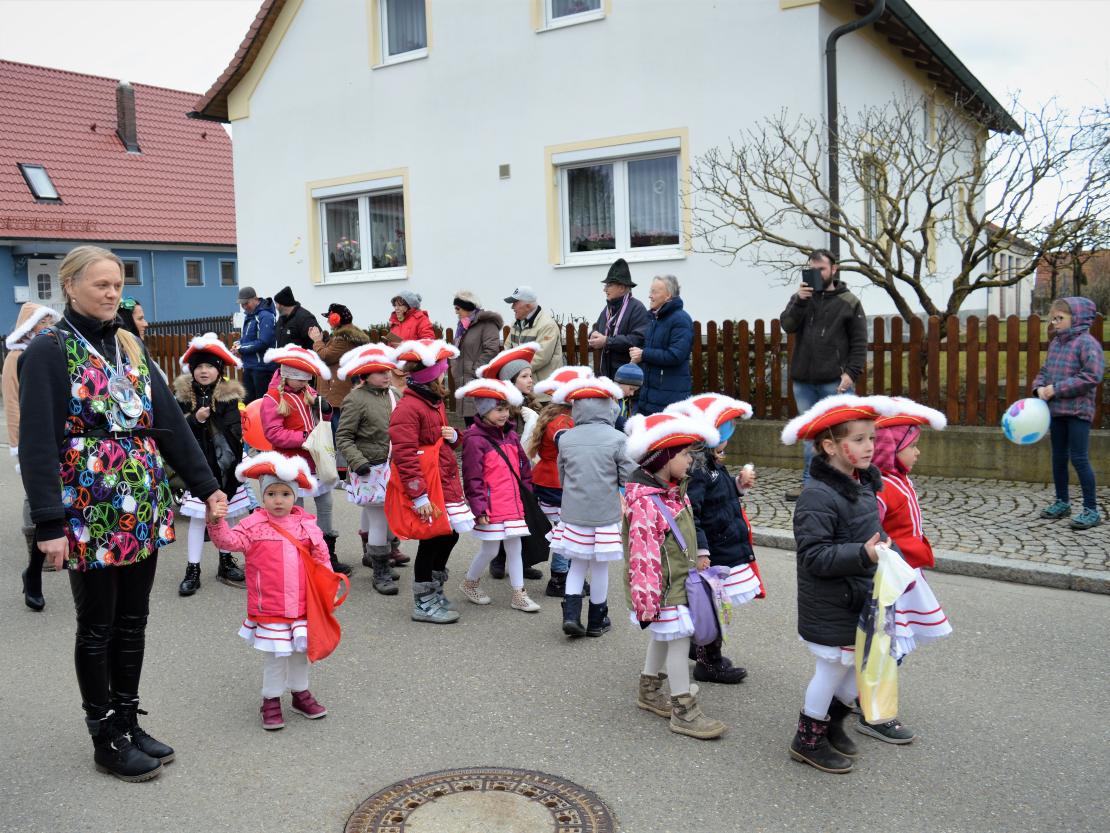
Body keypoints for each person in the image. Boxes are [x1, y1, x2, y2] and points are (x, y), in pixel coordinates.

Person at [18, 245, 225, 782]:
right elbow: (37, 442)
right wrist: (48, 523)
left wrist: (207, 486)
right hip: (88, 510)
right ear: (70, 286)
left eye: (117, 285)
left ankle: (128, 719)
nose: (112, 294)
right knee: (98, 625)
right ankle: (104, 734)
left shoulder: (131, 345)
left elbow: (169, 424)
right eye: (101, 285)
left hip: (142, 506)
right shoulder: (48, 350)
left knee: (134, 620)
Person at [780, 394, 897, 773]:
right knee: (832, 671)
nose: (870, 447)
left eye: (872, 438)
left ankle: (832, 724)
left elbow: (868, 531)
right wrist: (863, 554)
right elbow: (814, 556)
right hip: (833, 601)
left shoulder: (861, 484)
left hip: (860, 595)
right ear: (830, 446)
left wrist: (885, 551)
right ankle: (807, 738)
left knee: (855, 669)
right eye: (859, 439)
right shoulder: (817, 495)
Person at [207, 453, 334, 731]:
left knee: (300, 652)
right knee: (276, 656)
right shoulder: (253, 526)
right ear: (262, 496)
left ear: (295, 496)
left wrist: (329, 589)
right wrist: (216, 521)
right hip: (270, 606)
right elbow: (227, 542)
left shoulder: (306, 525)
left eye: (285, 494)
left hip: (304, 605)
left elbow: (322, 559)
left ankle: (300, 693)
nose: (278, 500)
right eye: (271, 494)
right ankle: (271, 700)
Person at [623, 411, 726, 740]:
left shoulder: (674, 491)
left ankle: (649, 690)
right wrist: (649, 601)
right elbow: (643, 556)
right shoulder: (647, 503)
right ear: (663, 458)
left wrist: (696, 557)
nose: (690, 460)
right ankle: (684, 710)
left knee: (663, 638)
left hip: (676, 583)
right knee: (679, 645)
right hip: (663, 590)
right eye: (683, 454)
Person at [872, 402, 953, 744]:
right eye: (912, 446)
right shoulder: (881, 486)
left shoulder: (899, 480)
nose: (918, 452)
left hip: (906, 575)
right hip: (890, 578)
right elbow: (870, 532)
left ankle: (863, 697)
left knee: (895, 645)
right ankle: (873, 710)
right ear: (890, 448)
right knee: (888, 644)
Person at [668, 394, 760, 685]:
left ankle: (703, 650)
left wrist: (738, 485)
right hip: (714, 548)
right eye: (726, 437)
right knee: (711, 606)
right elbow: (691, 512)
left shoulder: (709, 464)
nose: (727, 444)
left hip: (721, 542)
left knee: (713, 605)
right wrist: (702, 550)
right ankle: (709, 662)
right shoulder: (698, 470)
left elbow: (718, 496)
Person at [389, 338, 474, 624]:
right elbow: (405, 455)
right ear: (430, 377)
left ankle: (435, 589)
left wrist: (454, 436)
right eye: (441, 374)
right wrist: (419, 495)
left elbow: (441, 438)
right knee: (432, 538)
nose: (444, 378)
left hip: (443, 478)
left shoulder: (432, 402)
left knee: (450, 534)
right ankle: (423, 601)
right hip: (427, 484)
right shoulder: (408, 408)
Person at [549, 375, 635, 638]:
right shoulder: (618, 438)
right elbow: (628, 476)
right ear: (609, 408)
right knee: (599, 568)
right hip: (605, 514)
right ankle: (597, 621)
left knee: (576, 565)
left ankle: (571, 616)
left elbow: (562, 477)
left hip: (574, 513)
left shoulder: (566, 439)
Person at [779, 249, 868, 501]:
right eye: (812, 269)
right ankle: (811, 485)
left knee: (840, 434)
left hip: (835, 381)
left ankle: (844, 483)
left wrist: (851, 373)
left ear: (834, 269)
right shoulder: (801, 298)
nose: (817, 273)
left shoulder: (849, 301)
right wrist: (800, 301)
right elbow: (787, 325)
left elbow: (859, 342)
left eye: (822, 269)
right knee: (811, 436)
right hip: (804, 382)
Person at [259, 345, 350, 575]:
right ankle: (297, 554)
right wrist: (304, 437)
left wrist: (326, 410)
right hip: (291, 463)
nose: (304, 383)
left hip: (315, 461)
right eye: (299, 379)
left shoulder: (309, 392)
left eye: (306, 379)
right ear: (286, 375)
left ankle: (326, 552)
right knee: (295, 510)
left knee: (326, 504)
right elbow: (273, 433)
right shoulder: (272, 398)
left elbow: (322, 419)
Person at [173, 334, 251, 596]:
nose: (204, 371)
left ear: (219, 370)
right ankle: (192, 569)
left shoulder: (229, 396)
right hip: (198, 468)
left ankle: (226, 561)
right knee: (198, 520)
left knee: (227, 515)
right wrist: (195, 420)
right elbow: (177, 431)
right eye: (199, 366)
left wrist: (214, 419)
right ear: (192, 370)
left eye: (209, 366)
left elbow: (235, 430)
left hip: (227, 466)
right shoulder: (183, 397)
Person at [456, 378, 542, 613]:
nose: (504, 414)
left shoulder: (511, 436)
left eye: (506, 409)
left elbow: (523, 469)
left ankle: (519, 594)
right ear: (484, 411)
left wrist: (527, 494)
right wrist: (479, 508)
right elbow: (472, 477)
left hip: (514, 505)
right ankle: (470, 583)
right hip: (492, 506)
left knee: (515, 548)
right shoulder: (474, 439)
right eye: (498, 410)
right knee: (491, 550)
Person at [1033, 296, 1105, 530]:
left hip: (1078, 412)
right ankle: (1062, 502)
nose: (1055, 323)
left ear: (1077, 318)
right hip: (1057, 411)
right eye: (1053, 319)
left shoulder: (1087, 344)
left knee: (1079, 458)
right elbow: (1045, 371)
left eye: (1060, 318)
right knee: (1058, 457)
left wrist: (1057, 389)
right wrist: (1039, 387)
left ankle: (1091, 510)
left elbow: (1092, 376)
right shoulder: (1056, 343)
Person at [475, 342, 544, 581]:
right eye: (524, 376)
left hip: (528, 469)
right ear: (510, 381)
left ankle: (523, 562)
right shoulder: (506, 410)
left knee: (524, 518)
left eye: (530, 375)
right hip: (508, 472)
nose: (530, 380)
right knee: (505, 518)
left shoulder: (530, 406)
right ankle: (498, 559)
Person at [335, 345, 401, 595]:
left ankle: (377, 557)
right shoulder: (355, 399)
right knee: (379, 520)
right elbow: (343, 436)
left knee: (389, 517)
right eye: (380, 372)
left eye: (387, 371)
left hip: (393, 466)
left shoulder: (394, 394)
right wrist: (358, 461)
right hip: (370, 468)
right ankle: (380, 571)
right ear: (365, 375)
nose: (386, 375)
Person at [4, 302, 56, 610]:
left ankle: (37, 569)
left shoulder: (49, 352)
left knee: (59, 503)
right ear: (29, 326)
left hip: (58, 439)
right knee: (40, 504)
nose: (48, 327)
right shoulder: (16, 358)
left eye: (49, 321)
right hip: (33, 444)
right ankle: (34, 573)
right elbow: (13, 405)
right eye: (42, 322)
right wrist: (19, 447)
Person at [530, 366, 596, 597]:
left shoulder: (560, 417)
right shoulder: (562, 421)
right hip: (556, 483)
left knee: (564, 530)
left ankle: (567, 574)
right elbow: (568, 446)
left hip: (553, 480)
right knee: (565, 531)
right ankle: (559, 578)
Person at [308, 303, 371, 474]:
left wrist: (317, 340)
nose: (328, 321)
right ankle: (343, 469)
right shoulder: (344, 336)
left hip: (337, 393)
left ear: (336, 318)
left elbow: (326, 356)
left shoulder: (343, 338)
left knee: (339, 433)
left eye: (329, 317)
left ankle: (342, 470)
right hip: (339, 390)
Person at [628, 275, 693, 415]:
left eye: (654, 292)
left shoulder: (681, 320)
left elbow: (676, 355)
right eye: (650, 291)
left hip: (669, 400)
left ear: (668, 295)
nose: (650, 296)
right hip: (651, 397)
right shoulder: (655, 319)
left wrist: (644, 354)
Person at [449, 291, 504, 427]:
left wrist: (474, 370)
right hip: (464, 381)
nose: (456, 312)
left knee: (482, 423)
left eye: (458, 308)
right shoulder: (463, 326)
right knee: (470, 425)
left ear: (467, 307)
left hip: (478, 381)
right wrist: (455, 368)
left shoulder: (487, 324)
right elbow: (458, 351)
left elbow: (491, 350)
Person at [589, 258, 650, 379]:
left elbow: (636, 340)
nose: (605, 289)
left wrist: (607, 341)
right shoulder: (607, 309)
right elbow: (597, 329)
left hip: (628, 378)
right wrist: (592, 335)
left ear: (622, 287)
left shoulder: (637, 308)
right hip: (607, 375)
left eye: (609, 285)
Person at [503, 286, 564, 389]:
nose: (512, 307)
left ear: (528, 306)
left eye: (515, 303)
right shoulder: (516, 323)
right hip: (522, 387)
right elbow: (507, 349)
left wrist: (514, 371)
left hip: (543, 390)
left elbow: (540, 358)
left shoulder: (547, 325)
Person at [235, 286, 278, 403]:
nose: (244, 307)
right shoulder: (250, 315)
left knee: (261, 403)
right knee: (248, 403)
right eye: (242, 304)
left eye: (246, 303)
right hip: (250, 366)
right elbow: (249, 338)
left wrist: (241, 348)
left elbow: (263, 342)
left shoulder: (265, 316)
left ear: (255, 299)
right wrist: (239, 343)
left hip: (262, 369)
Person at [273, 286, 318, 350]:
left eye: (276, 304)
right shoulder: (281, 319)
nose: (276, 307)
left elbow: (316, 342)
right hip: (283, 356)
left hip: (300, 356)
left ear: (282, 305)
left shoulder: (305, 318)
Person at [613, 362, 643, 433]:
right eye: (631, 389)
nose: (632, 393)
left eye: (634, 390)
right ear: (621, 382)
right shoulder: (608, 399)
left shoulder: (625, 399)